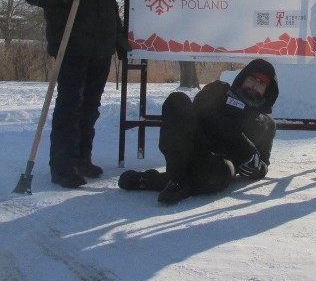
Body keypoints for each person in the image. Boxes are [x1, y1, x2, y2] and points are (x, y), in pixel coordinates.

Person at [21, 0, 130, 189]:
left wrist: (117, 36)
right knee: (70, 106)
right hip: (71, 44)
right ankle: (62, 166)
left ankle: (82, 158)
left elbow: (109, 6)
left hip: (100, 47)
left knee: (90, 106)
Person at [118, 58, 279, 205]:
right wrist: (245, 146)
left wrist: (256, 168)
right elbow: (203, 113)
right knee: (178, 100)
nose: (255, 86)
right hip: (192, 145)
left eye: (262, 84)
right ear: (243, 78)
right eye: (252, 79)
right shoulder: (220, 89)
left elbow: (264, 163)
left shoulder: (267, 124)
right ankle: (178, 179)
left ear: (268, 90)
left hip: (218, 164)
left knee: (221, 174)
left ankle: (156, 180)